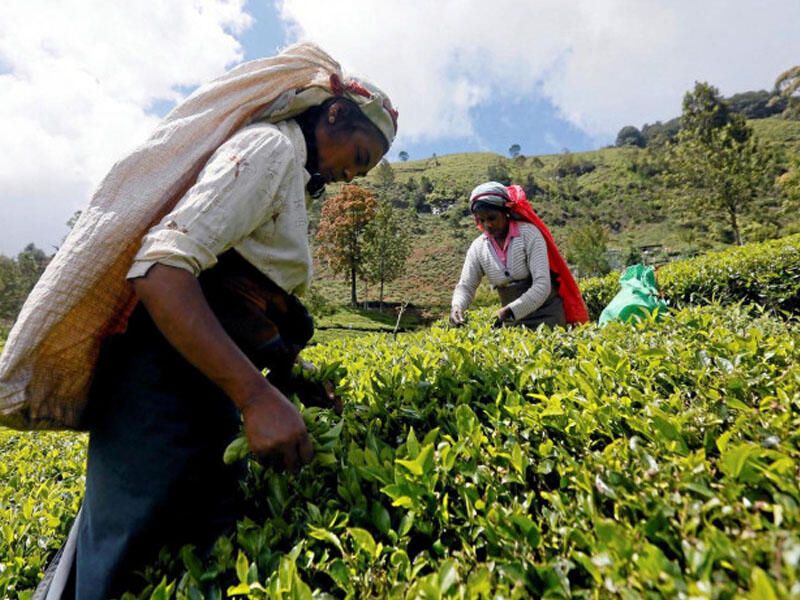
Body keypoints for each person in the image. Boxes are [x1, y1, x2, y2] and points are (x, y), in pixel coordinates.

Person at [22, 42, 397, 599]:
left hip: (201, 382)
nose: (350, 176)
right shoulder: (268, 149)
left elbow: (236, 294)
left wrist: (287, 376)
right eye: (359, 158)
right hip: (161, 385)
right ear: (336, 113)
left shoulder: (290, 171)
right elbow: (161, 272)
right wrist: (256, 398)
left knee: (182, 545)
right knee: (130, 546)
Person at [450, 181, 588, 329]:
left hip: (547, 316)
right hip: (512, 320)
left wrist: (509, 311)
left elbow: (542, 285)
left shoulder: (529, 235)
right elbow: (466, 286)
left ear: (506, 212)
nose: (487, 225)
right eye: (482, 220)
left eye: (492, 218)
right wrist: (457, 306)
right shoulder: (478, 248)